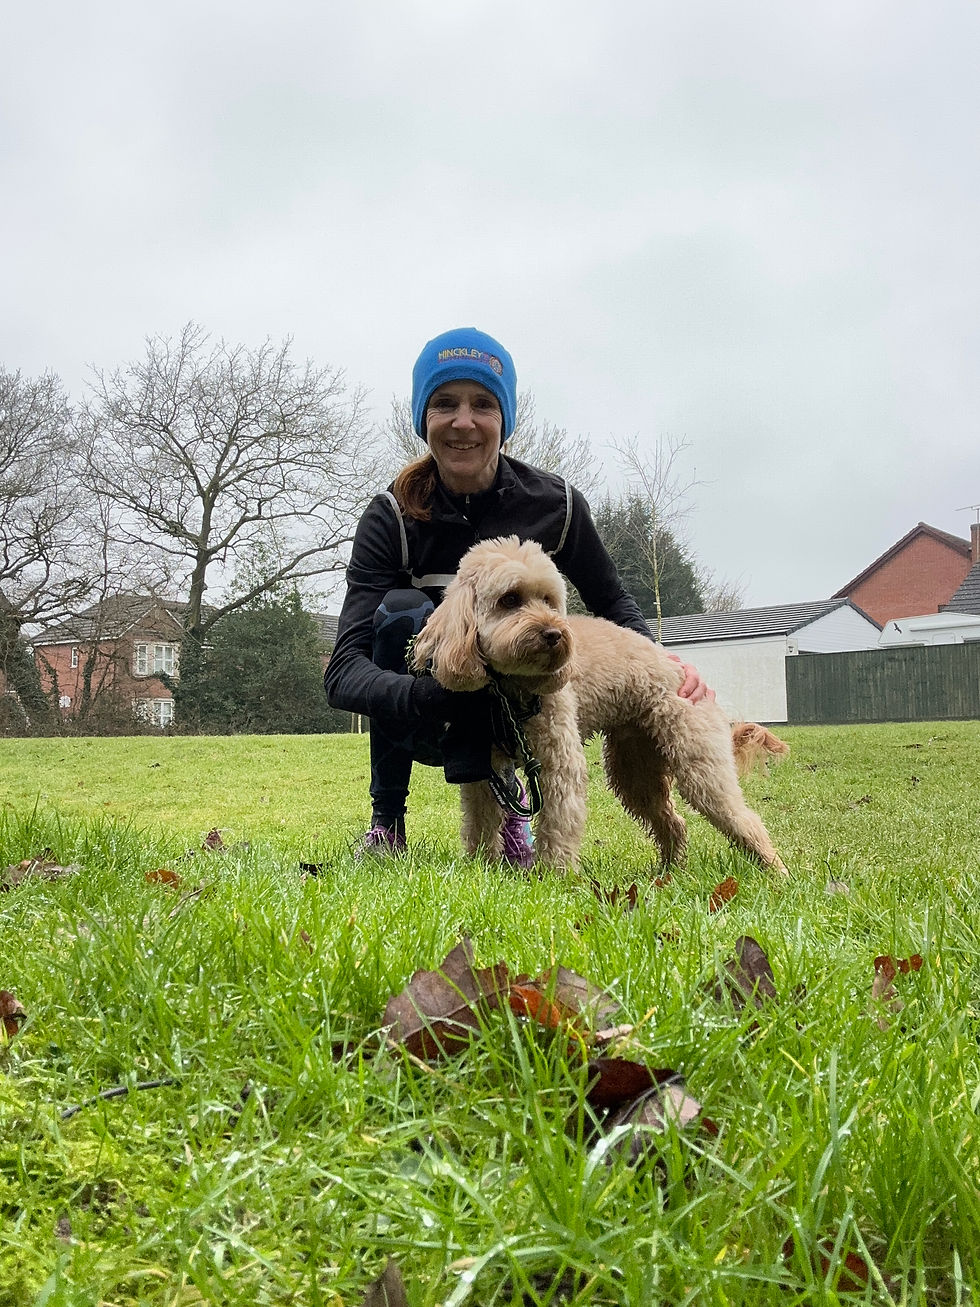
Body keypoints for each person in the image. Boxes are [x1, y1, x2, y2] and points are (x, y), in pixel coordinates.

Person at [324, 327, 714, 863]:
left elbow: (612, 601)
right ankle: (387, 823)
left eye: (483, 404)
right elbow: (344, 671)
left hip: (522, 703)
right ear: (423, 419)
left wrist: (664, 664)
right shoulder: (390, 516)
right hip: (430, 708)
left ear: (505, 420)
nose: (464, 422)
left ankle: (511, 812)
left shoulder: (557, 506)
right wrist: (435, 695)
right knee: (402, 612)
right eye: (445, 404)